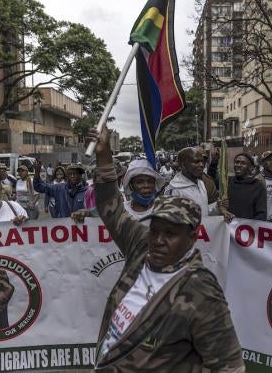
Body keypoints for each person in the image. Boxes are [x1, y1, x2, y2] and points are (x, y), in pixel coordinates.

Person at [87, 127, 245, 373]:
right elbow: (111, 207)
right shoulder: (141, 244)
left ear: (192, 237)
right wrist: (104, 156)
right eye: (155, 229)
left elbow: (229, 367)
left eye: (170, 234)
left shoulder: (201, 291)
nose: (158, 240)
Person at [165, 147, 219, 216]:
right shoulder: (175, 190)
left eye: (202, 161)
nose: (201, 165)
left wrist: (217, 207)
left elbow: (203, 211)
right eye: (196, 162)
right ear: (183, 165)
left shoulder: (201, 183)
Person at [225, 153, 267, 221]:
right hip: (227, 228)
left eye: (243, 163)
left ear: (251, 168)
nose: (238, 165)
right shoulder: (227, 182)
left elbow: (261, 214)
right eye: (236, 162)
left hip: (246, 230)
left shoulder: (258, 186)